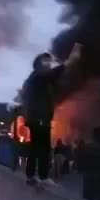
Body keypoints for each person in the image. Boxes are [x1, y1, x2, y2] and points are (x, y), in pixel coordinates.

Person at [21, 46, 80, 187]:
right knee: (43, 148)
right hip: (40, 118)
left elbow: (57, 79)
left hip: (35, 118)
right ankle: (42, 176)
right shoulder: (38, 76)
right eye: (46, 61)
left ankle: (31, 176)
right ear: (39, 64)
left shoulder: (36, 79)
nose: (49, 64)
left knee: (35, 147)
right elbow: (54, 74)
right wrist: (70, 61)